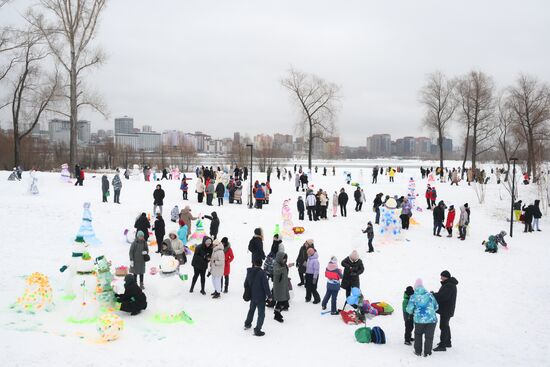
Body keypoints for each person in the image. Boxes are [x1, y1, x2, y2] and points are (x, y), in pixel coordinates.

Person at [406, 278, 439, 357]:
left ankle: (418, 351)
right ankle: (427, 353)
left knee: (418, 335)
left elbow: (409, 310)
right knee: (429, 337)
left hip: (419, 320)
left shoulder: (413, 297)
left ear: (415, 288)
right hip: (431, 320)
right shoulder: (430, 295)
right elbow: (436, 306)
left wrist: (413, 311)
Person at [244, 259, 272, 336]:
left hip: (252, 296)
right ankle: (257, 329)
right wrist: (269, 296)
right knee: (261, 314)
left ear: (254, 263)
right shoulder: (262, 273)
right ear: (261, 264)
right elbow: (266, 285)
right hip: (260, 297)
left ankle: (247, 323)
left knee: (251, 310)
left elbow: (245, 284)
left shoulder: (249, 272)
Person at [433, 270, 459, 352]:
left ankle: (442, 345)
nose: (441, 278)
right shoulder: (449, 284)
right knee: (446, 325)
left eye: (442, 276)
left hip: (446, 310)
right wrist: (435, 294)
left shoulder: (449, 285)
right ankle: (448, 342)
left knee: (443, 326)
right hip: (447, 309)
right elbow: (442, 294)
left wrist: (433, 295)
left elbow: (443, 297)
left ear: (445, 277)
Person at [272, 252, 293, 322]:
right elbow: (276, 271)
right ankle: (276, 315)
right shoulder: (276, 264)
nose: (284, 260)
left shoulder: (282, 264)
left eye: (285, 259)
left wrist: (287, 266)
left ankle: (277, 313)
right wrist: (284, 268)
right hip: (279, 286)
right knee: (281, 301)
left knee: (283, 301)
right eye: (283, 259)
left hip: (283, 285)